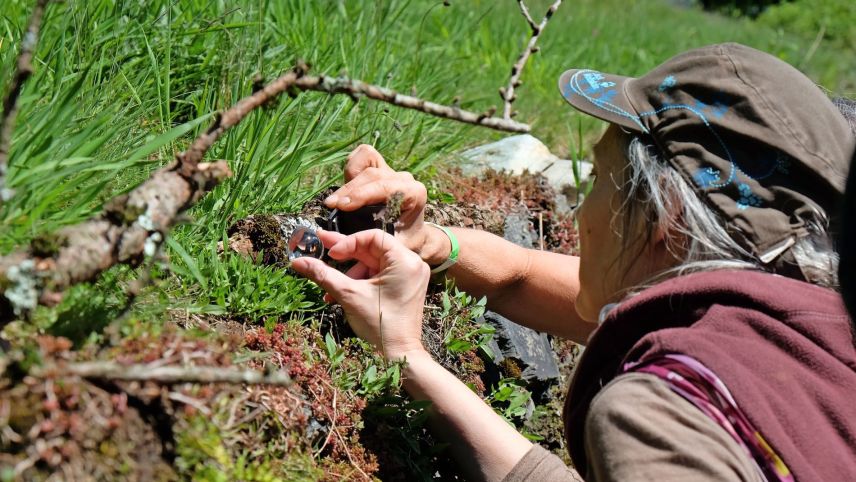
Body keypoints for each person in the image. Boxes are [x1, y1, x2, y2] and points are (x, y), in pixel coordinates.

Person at [291, 43, 856, 481]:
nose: (584, 209)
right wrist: (430, 243)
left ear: (670, 218)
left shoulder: (669, 413)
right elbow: (524, 276)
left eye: (599, 177)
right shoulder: (808, 319)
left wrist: (407, 357)